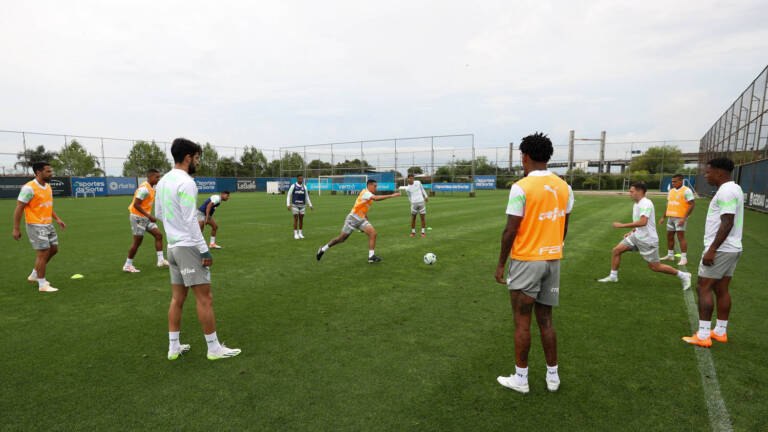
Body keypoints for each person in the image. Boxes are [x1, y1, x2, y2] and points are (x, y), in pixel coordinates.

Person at [494, 132, 573, 394]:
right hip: (552, 260)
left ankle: (521, 379)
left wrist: (500, 264)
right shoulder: (564, 187)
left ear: (525, 156)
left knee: (522, 322)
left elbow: (510, 230)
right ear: (548, 156)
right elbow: (564, 226)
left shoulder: (521, 187)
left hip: (527, 260)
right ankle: (553, 377)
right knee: (547, 320)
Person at [156, 138, 241, 361]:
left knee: (177, 299)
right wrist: (204, 249)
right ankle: (213, 349)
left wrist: (173, 234)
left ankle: (173, 347)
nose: (198, 162)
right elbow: (192, 221)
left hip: (172, 247)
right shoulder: (187, 182)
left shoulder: (163, 181)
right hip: (188, 248)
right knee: (205, 299)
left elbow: (158, 214)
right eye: (196, 158)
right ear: (187, 158)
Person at [683, 158, 744, 348]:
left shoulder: (726, 191)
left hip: (722, 249)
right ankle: (719, 332)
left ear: (719, 172)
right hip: (732, 247)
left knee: (703, 287)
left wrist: (712, 249)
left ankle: (702, 335)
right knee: (721, 289)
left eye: (708, 172)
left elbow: (727, 222)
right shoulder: (735, 188)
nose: (706, 175)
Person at [597, 182, 691, 289]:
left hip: (648, 240)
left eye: (632, 191)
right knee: (616, 250)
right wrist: (632, 231)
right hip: (637, 236)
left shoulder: (646, 203)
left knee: (655, 267)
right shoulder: (637, 203)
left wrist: (622, 225)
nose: (630, 194)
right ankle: (613, 276)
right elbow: (638, 222)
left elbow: (643, 222)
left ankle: (683, 275)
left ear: (640, 192)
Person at [11, 162, 66, 292]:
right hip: (35, 225)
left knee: (54, 249)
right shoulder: (29, 188)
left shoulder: (48, 187)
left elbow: (47, 205)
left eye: (50, 171)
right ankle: (42, 285)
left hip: (48, 224)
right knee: (43, 252)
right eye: (48, 171)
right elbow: (19, 208)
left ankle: (35, 274)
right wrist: (16, 228)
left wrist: (57, 219)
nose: (51, 173)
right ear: (38, 172)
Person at [316, 179, 400, 263]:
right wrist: (391, 195)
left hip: (361, 219)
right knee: (341, 239)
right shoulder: (366, 193)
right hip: (353, 218)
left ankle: (371, 257)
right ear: (369, 185)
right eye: (375, 186)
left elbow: (361, 204)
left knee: (373, 233)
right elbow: (376, 198)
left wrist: (365, 215)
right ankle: (323, 249)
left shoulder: (368, 194)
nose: (376, 188)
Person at [123, 169, 169, 272]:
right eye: (156, 177)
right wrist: (149, 216)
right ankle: (127, 265)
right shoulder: (144, 189)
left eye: (159, 176)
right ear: (150, 177)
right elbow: (136, 204)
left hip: (145, 217)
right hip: (137, 218)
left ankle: (161, 260)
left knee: (158, 235)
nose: (158, 179)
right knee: (137, 242)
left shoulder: (152, 187)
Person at [658, 174, 695, 265]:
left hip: (680, 218)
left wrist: (684, 218)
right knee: (669, 236)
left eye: (675, 181)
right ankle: (670, 255)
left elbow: (692, 204)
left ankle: (684, 258)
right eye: (672, 181)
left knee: (680, 237)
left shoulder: (687, 190)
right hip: (670, 217)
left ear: (681, 181)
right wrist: (663, 217)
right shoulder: (671, 191)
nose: (673, 183)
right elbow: (669, 205)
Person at [286, 174, 313, 239]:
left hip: (303, 205)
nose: (301, 180)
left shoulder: (305, 187)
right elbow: (289, 195)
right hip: (295, 205)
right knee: (295, 219)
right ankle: (295, 234)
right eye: (300, 179)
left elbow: (307, 196)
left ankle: (300, 233)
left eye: (302, 179)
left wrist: (310, 205)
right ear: (297, 179)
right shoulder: (293, 186)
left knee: (301, 219)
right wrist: (288, 204)